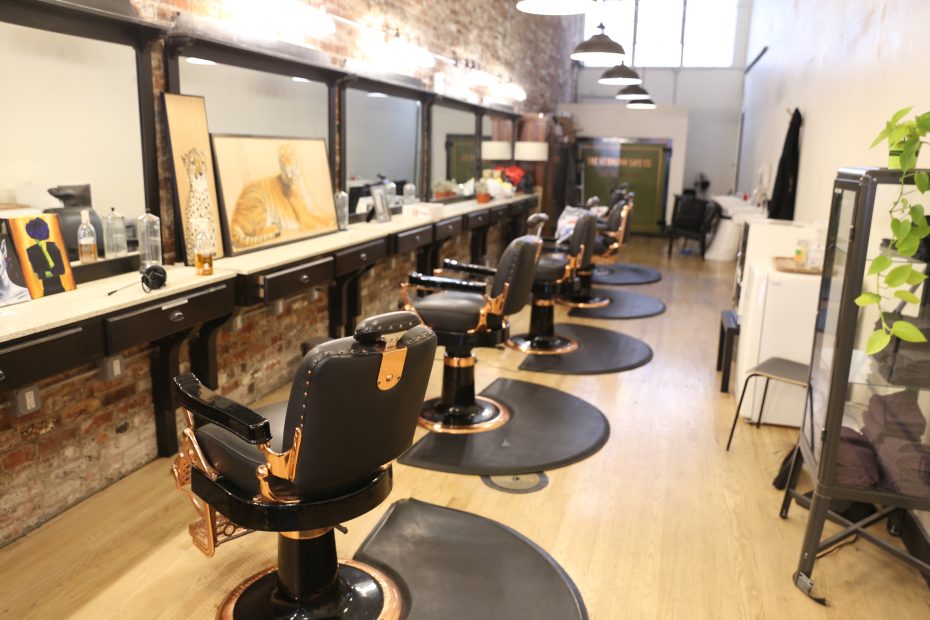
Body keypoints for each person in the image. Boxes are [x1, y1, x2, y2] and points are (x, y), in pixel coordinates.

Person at [24, 217, 66, 296]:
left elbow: (61, 270)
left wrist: (47, 273)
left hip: (60, 288)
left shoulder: (53, 246)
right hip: (47, 290)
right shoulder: (31, 251)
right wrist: (52, 272)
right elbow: (38, 273)